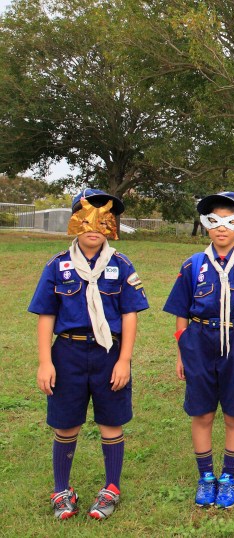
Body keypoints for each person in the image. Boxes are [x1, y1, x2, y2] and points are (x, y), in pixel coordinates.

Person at [29, 188, 149, 520]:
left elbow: (130, 315)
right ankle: (61, 490)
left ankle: (111, 487)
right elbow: (46, 315)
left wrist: (124, 360)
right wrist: (45, 362)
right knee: (65, 424)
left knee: (111, 421)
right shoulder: (58, 266)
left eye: (104, 218)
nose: (94, 226)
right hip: (67, 353)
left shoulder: (121, 265)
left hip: (109, 353)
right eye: (86, 218)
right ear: (74, 221)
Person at [163, 192, 234, 509]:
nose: (222, 227)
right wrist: (182, 353)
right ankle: (206, 476)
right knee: (202, 413)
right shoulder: (193, 265)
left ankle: (228, 478)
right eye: (215, 221)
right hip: (199, 342)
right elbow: (181, 312)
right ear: (206, 225)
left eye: (229, 221)